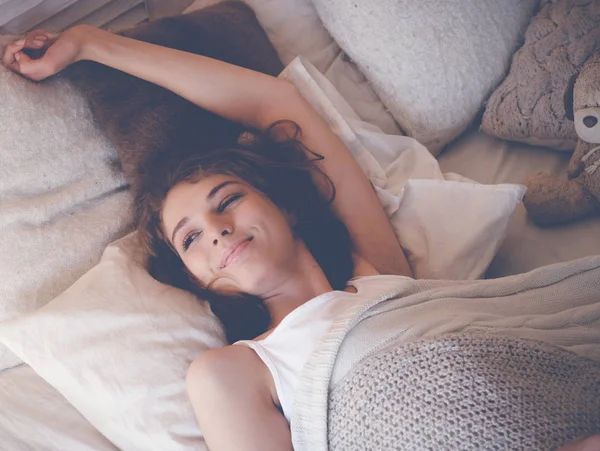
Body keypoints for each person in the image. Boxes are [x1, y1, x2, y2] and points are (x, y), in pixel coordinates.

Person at [4, 26, 598, 451]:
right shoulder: (232, 372)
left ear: (283, 203)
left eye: (228, 200)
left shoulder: (383, 272)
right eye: (190, 239)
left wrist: (92, 42)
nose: (217, 232)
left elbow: (274, 103)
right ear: (198, 279)